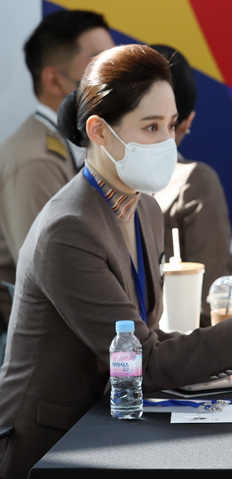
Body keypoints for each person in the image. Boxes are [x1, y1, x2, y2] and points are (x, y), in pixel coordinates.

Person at [0, 44, 232, 479]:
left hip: (107, 429)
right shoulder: (67, 228)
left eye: (169, 125)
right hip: (51, 447)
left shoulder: (144, 208)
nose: (166, 142)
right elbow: (140, 361)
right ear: (100, 131)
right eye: (149, 127)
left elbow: (143, 335)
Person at [0, 10, 114, 326]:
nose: (113, 77)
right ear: (53, 79)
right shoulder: (35, 160)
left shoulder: (68, 145)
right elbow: (50, 274)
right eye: (98, 63)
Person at [150, 44, 232, 327]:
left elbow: (209, 299)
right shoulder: (195, 179)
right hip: (169, 352)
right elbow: (211, 303)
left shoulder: (89, 179)